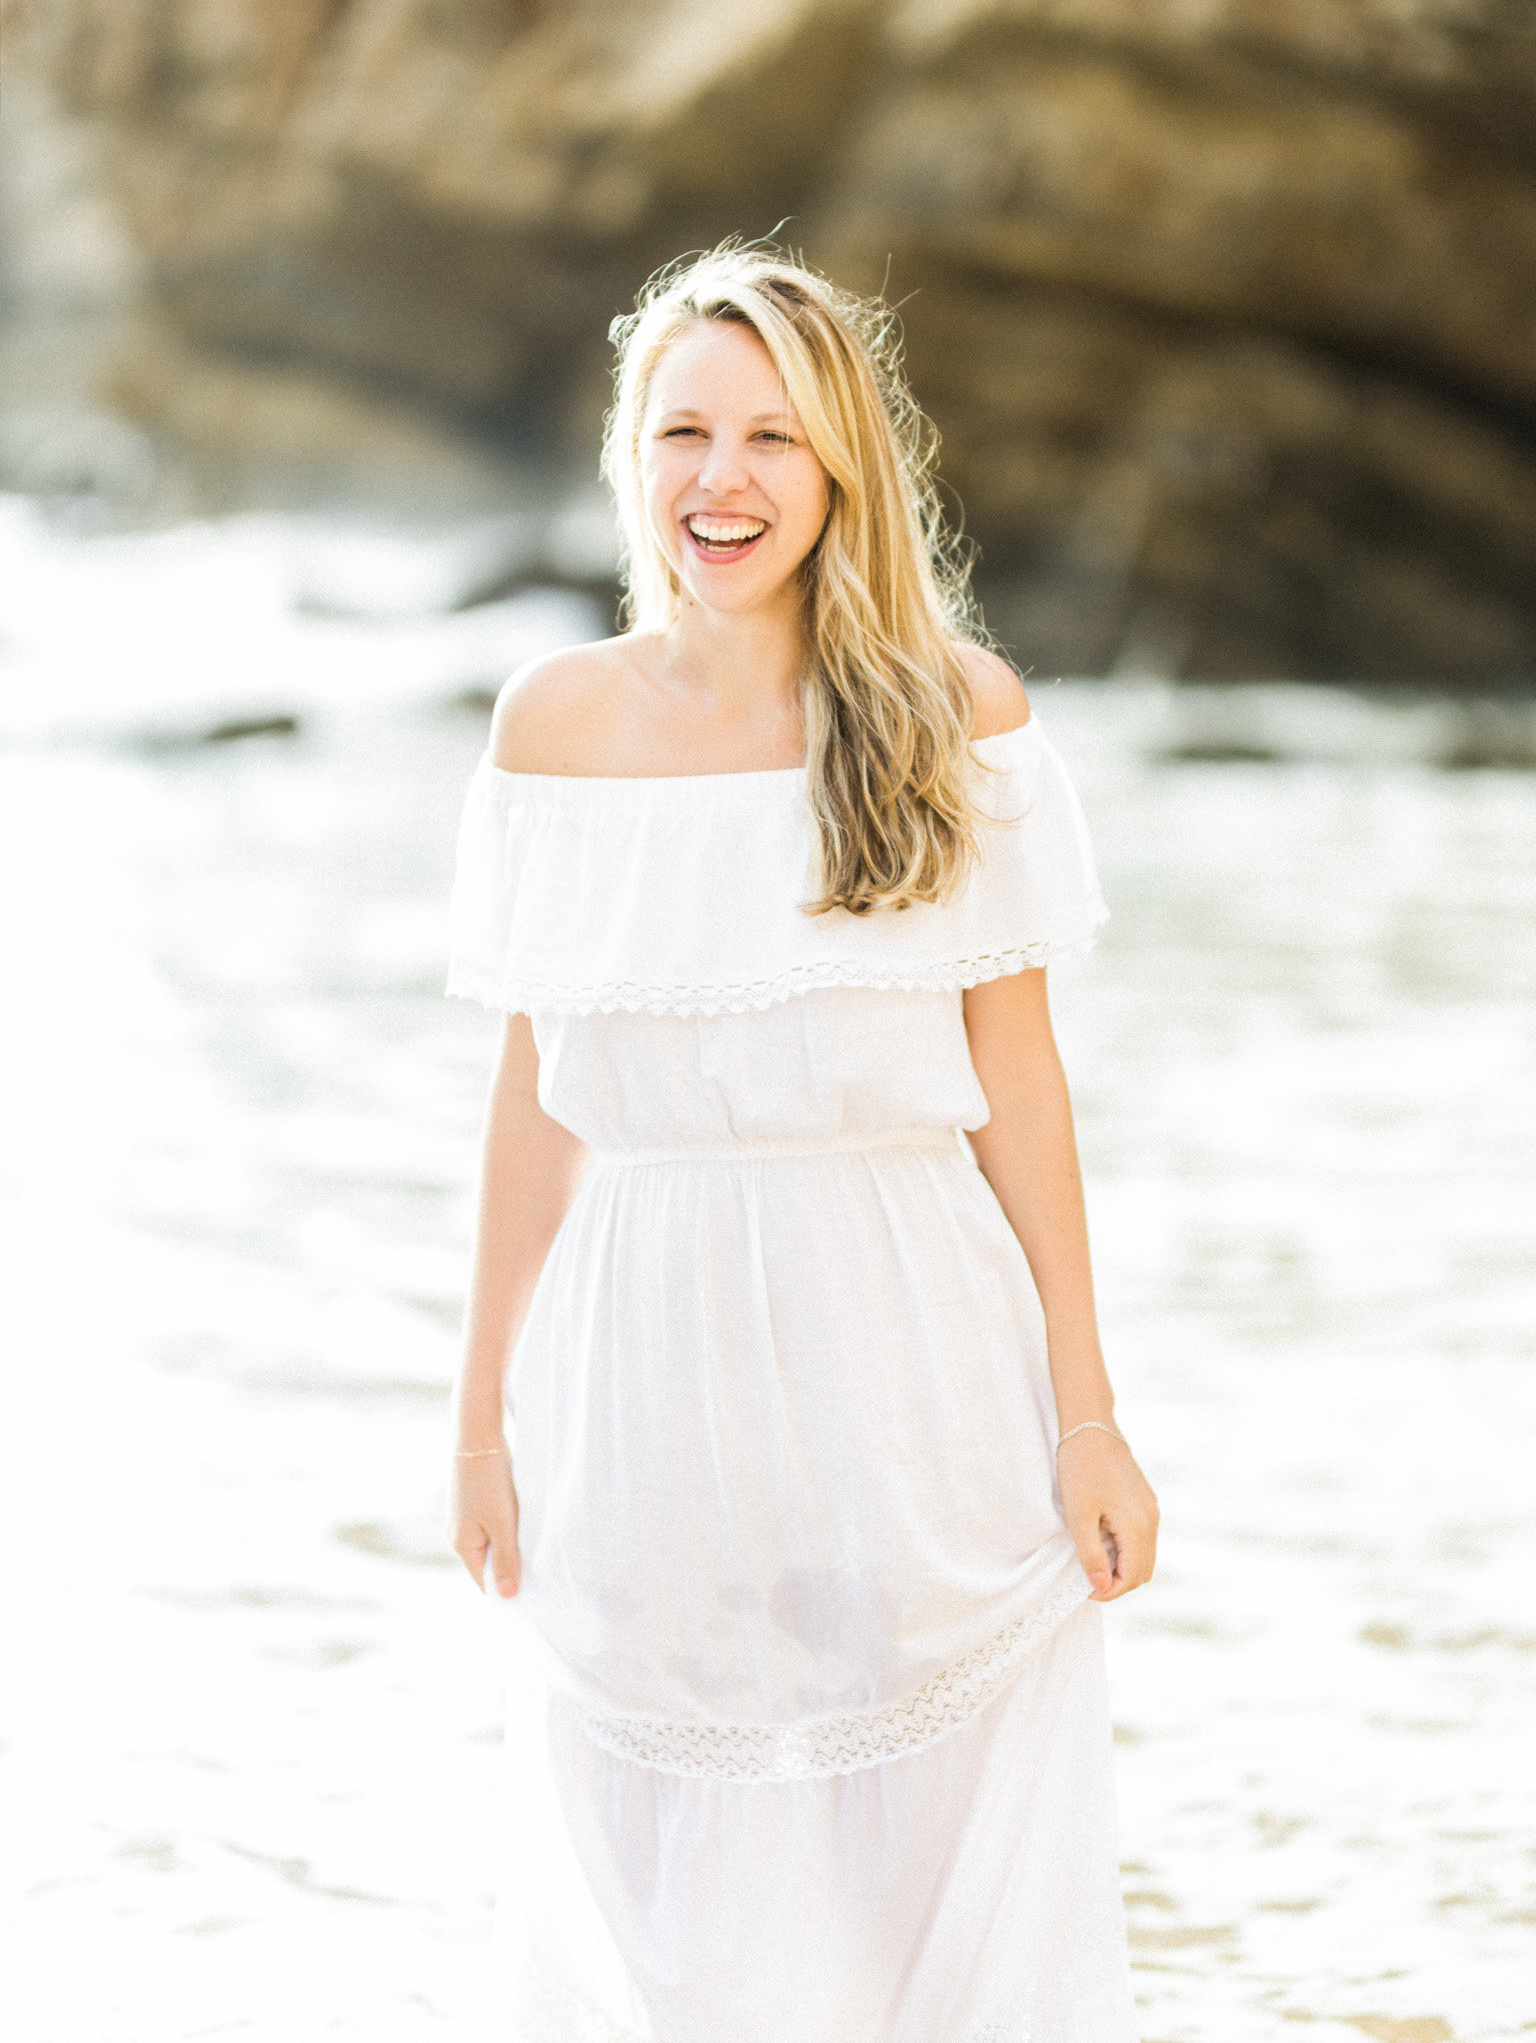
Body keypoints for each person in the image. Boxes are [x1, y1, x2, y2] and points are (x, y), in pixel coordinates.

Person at [445, 244, 1158, 2043]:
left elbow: (1025, 1084)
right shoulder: (555, 731)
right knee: (659, 1879)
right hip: (643, 1362)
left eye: (772, 436)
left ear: (842, 467)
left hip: (913, 1346)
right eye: (684, 431)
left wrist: (1088, 1413)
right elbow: (540, 1096)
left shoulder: (948, 718)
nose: (724, 481)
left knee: (920, 1877)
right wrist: (479, 1417)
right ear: (630, 458)